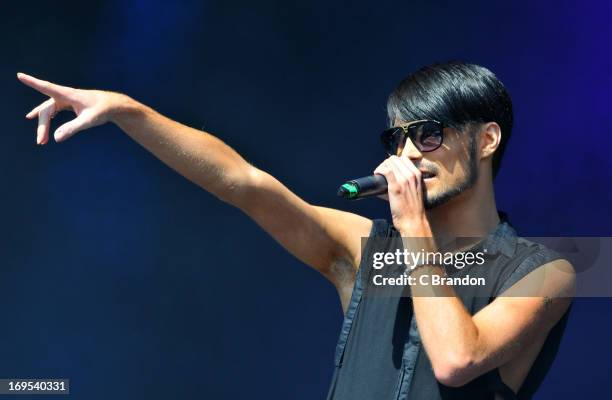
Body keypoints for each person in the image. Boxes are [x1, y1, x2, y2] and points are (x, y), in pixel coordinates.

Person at [17, 61, 575, 399]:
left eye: (428, 134)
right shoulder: (367, 253)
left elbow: (457, 361)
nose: (408, 152)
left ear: (486, 140)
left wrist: (410, 225)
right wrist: (129, 112)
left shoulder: (545, 270)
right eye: (397, 139)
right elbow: (245, 183)